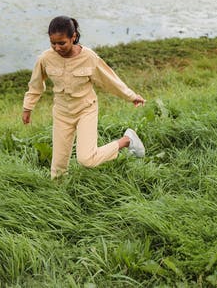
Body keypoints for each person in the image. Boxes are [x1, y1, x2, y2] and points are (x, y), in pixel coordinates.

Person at [22, 15, 146, 179]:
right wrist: (27, 108)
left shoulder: (89, 57)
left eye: (62, 43)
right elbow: (35, 85)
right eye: (53, 43)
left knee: (87, 159)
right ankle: (59, 197)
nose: (57, 48)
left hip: (86, 110)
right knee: (58, 167)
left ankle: (126, 140)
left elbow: (109, 80)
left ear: (73, 37)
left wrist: (131, 96)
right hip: (62, 113)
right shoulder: (45, 58)